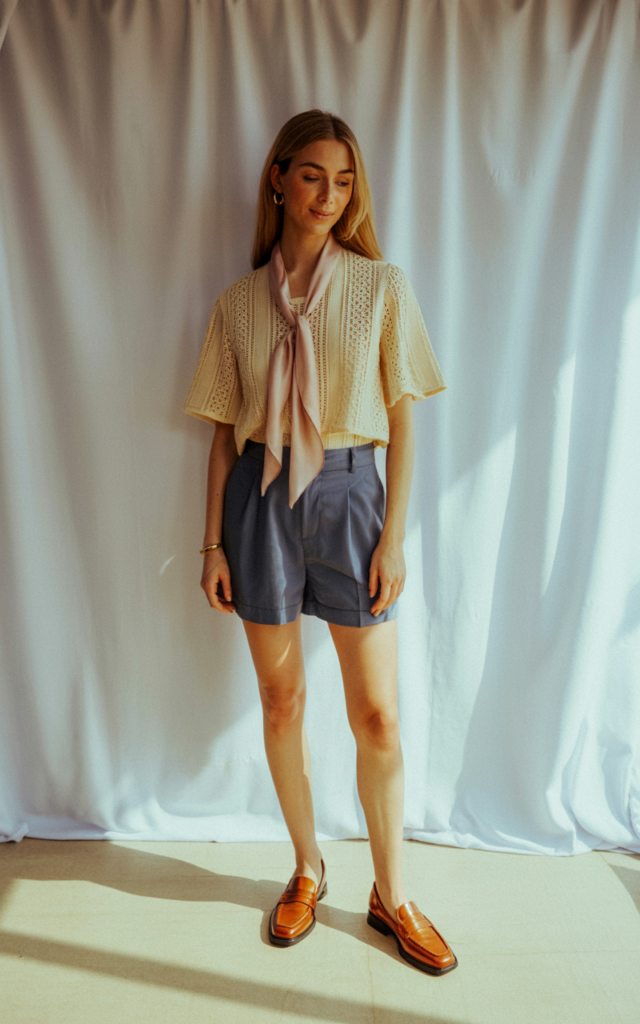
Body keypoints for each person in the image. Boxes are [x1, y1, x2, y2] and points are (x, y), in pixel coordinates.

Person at [183, 109, 456, 975]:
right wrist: (212, 546)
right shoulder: (236, 303)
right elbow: (223, 434)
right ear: (278, 178)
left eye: (344, 180)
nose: (329, 195)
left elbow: (406, 421)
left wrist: (395, 539)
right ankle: (306, 867)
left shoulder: (381, 287)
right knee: (281, 704)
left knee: (376, 713)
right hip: (259, 500)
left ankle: (394, 893)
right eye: (312, 176)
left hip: (349, 494)